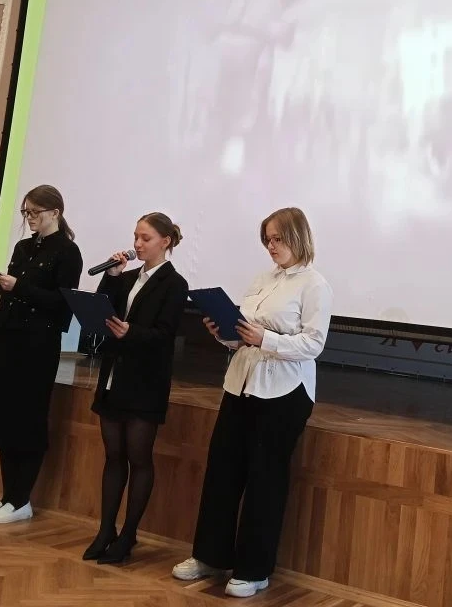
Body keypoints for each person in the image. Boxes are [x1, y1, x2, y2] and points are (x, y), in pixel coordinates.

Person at [172, 207, 332, 598]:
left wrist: (266, 339)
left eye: (278, 239)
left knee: (265, 480)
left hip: (284, 392)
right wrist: (223, 332)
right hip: (241, 384)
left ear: (297, 237)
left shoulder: (314, 285)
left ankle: (254, 570)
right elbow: (242, 335)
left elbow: (314, 344)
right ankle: (210, 555)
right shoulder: (263, 279)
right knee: (222, 472)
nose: (271, 246)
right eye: (267, 240)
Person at [0, 185, 83, 524]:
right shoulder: (23, 247)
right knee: (4, 420)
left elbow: (62, 303)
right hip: (8, 340)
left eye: (35, 212)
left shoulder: (68, 252)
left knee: (27, 420)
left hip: (37, 346)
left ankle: (22, 500)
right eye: (26, 212)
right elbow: (6, 300)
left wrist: (19, 286)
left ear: (55, 212)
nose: (29, 218)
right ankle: (8, 497)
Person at [82, 212, 189, 564]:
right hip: (115, 376)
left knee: (138, 457)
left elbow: (165, 335)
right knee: (113, 456)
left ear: (165, 241)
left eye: (145, 238)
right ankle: (105, 530)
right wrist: (111, 277)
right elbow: (101, 312)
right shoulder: (127, 277)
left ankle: (129, 534)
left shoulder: (175, 284)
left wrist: (132, 333)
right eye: (136, 237)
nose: (137, 244)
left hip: (145, 382)